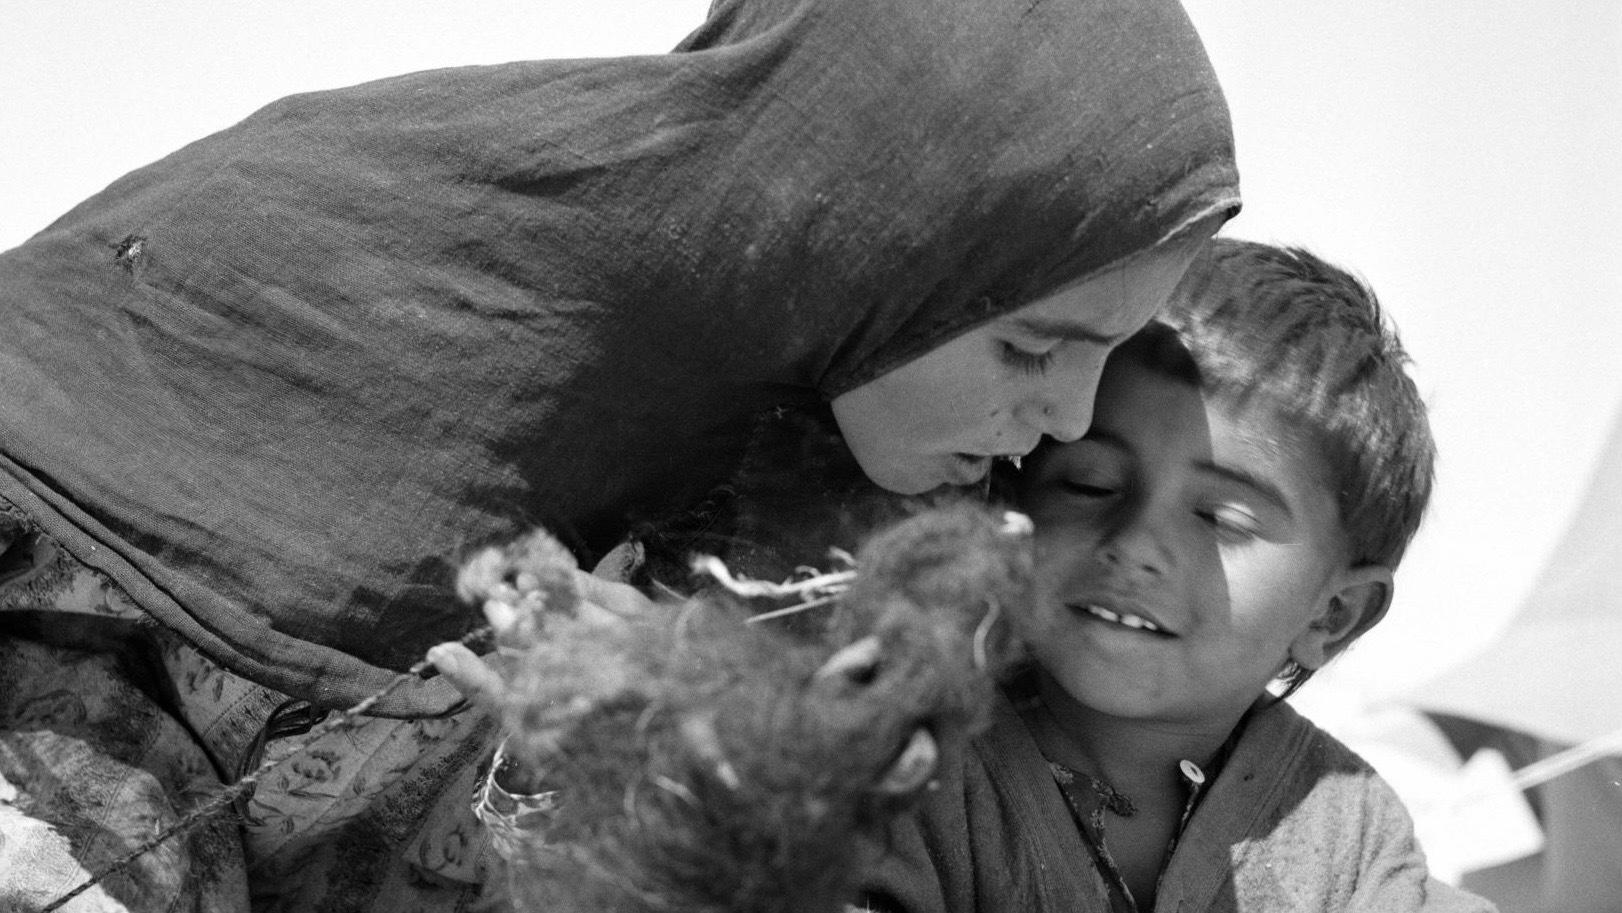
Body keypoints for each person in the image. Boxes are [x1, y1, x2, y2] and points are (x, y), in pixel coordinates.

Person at [0, 0, 1239, 909]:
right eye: (1030, 346)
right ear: (864, 240)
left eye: (1103, 352)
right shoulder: (309, 285)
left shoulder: (841, 535)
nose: (1071, 418)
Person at [856, 239, 1497, 912]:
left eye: (1221, 518)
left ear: (1331, 615)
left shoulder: (1349, 837)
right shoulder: (904, 765)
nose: (1136, 544)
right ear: (1010, 505)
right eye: (1090, 483)